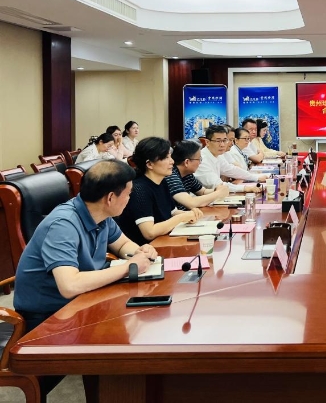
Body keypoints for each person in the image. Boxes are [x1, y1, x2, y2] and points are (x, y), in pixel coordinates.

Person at [13, 160, 158, 332]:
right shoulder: (63, 225)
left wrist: (140, 251)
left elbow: (122, 244)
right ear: (110, 198)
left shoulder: (101, 214)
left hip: (84, 299)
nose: (129, 199)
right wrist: (129, 267)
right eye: (128, 194)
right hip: (49, 318)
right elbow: (69, 286)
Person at [115, 137, 203, 245]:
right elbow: (149, 232)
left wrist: (190, 214)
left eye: (170, 156)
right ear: (149, 164)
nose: (172, 161)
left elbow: (172, 212)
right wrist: (182, 217)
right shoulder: (139, 189)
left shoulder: (162, 182)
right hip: (145, 248)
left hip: (163, 241)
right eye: (166, 158)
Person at [194, 125, 265, 193]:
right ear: (207, 142)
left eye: (225, 140)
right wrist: (245, 188)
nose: (222, 145)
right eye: (218, 141)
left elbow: (232, 170)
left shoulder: (217, 155)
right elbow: (218, 185)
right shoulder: (201, 160)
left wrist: (256, 178)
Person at [165, 140, 230, 210]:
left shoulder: (188, 174)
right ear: (187, 162)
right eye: (199, 159)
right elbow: (191, 203)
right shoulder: (171, 175)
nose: (200, 163)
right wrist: (218, 194)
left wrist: (217, 190)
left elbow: (202, 192)